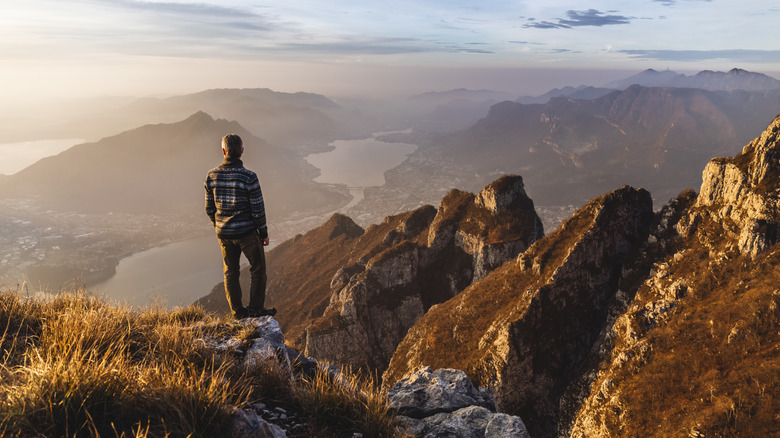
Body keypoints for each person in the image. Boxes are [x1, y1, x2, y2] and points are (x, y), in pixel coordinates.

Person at [205, 134, 276, 319]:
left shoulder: (211, 176)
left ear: (223, 151)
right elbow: (258, 209)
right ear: (242, 151)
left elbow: (209, 208)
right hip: (247, 233)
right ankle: (255, 309)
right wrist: (263, 233)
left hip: (224, 234)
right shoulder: (249, 177)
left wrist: (218, 225)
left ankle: (237, 313)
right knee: (258, 269)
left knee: (230, 271)